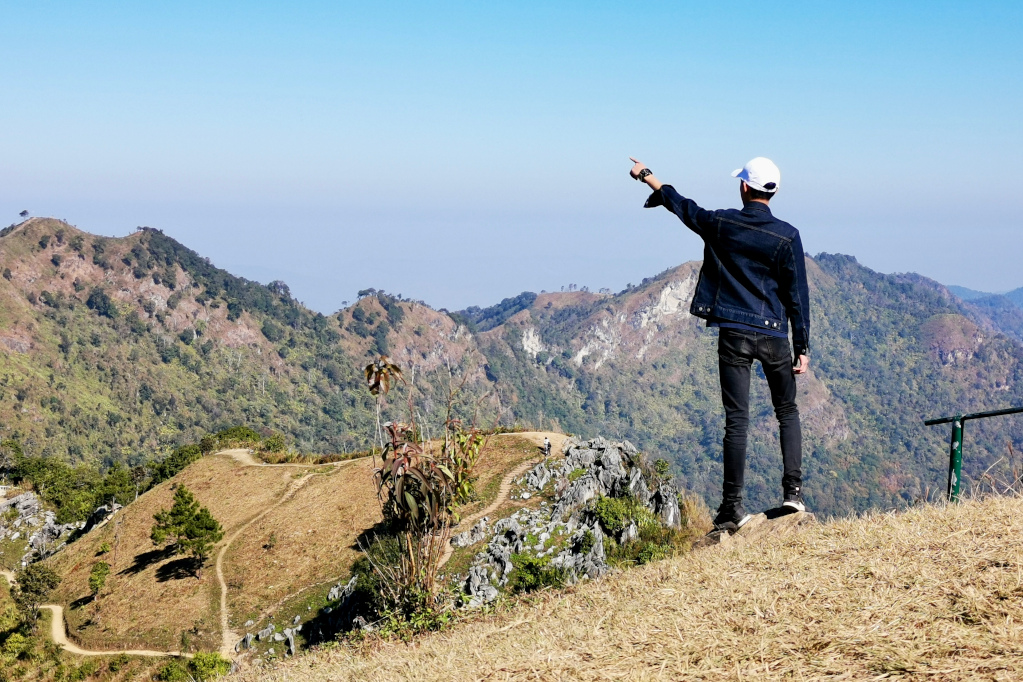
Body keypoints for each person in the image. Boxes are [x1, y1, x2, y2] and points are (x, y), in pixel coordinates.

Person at [629, 156, 810, 531]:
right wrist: (802, 347)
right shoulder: (787, 236)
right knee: (787, 412)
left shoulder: (723, 223)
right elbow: (798, 296)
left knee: (737, 420)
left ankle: (732, 509)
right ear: (773, 192)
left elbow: (684, 207)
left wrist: (648, 176)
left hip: (734, 333)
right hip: (774, 334)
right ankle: (792, 494)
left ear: (744, 186)